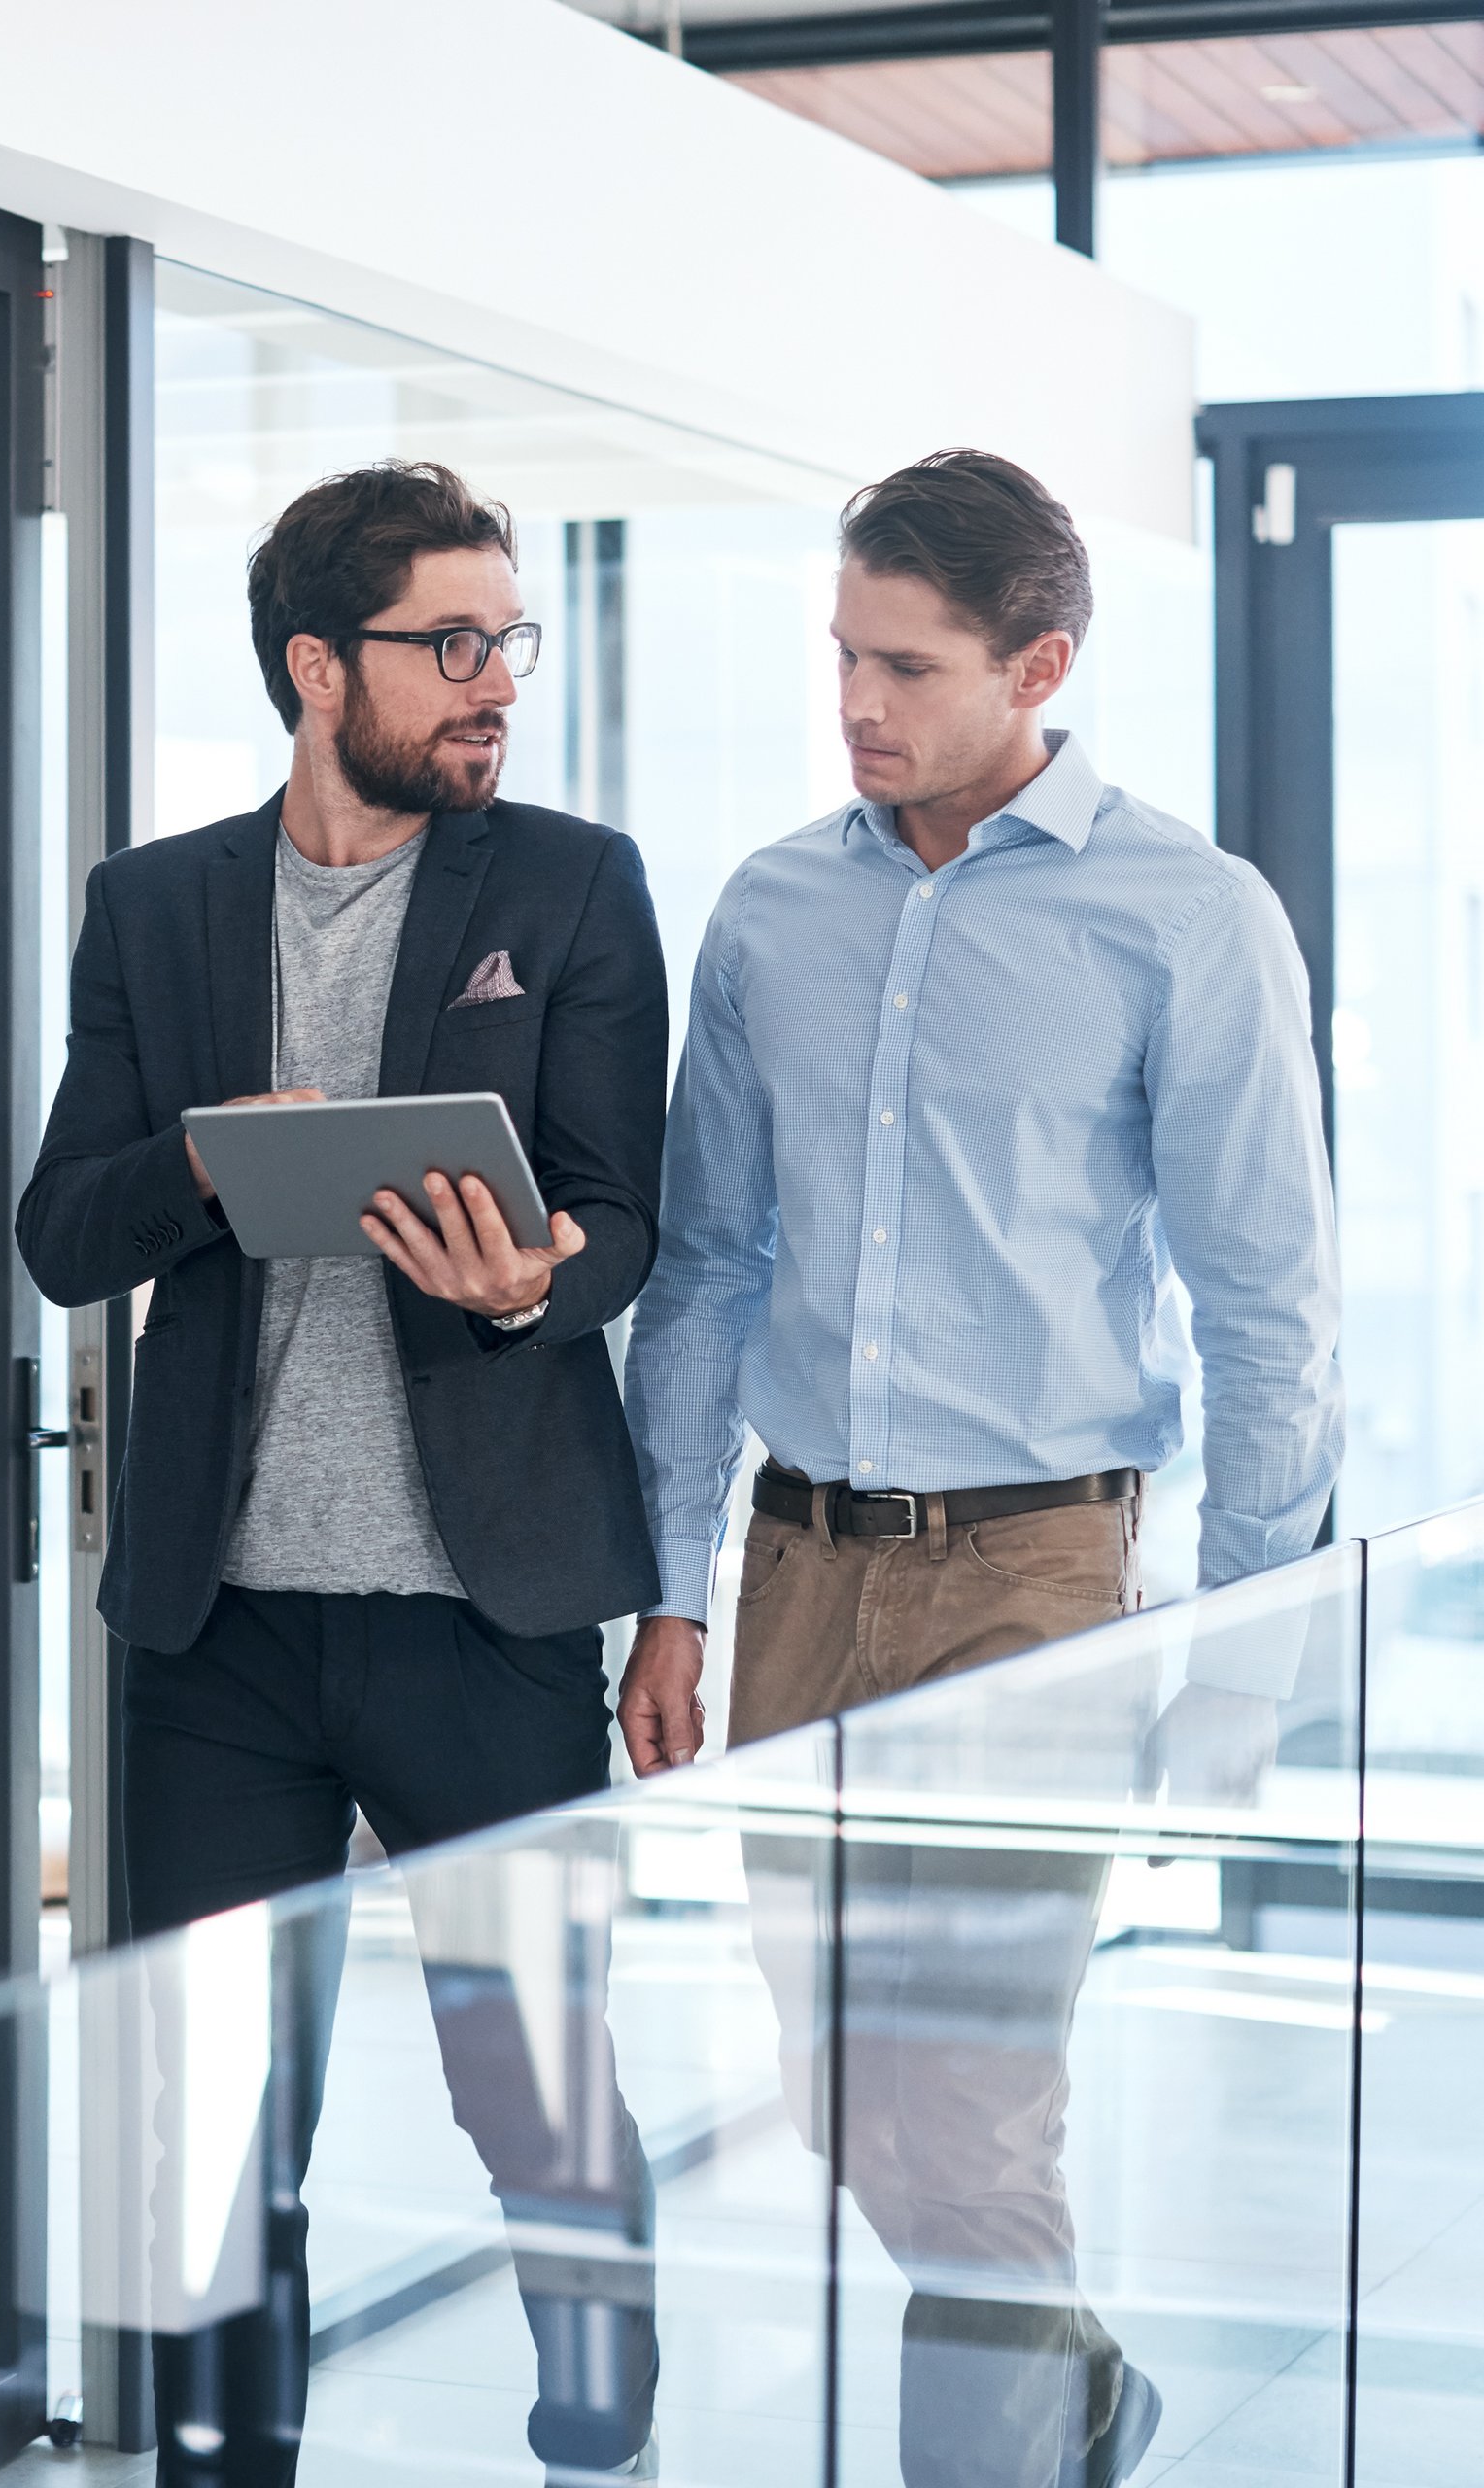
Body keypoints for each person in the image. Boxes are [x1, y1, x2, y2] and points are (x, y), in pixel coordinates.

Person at [619, 449, 1341, 2488]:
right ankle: (1077, 2381)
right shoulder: (771, 904)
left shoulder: (1188, 916)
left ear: (1041, 663)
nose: (858, 703)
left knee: (980, 2088)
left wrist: (1243, 1656)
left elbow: (1267, 1303)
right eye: (843, 653)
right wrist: (673, 1584)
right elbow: (705, 1268)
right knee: (843, 2090)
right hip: (797, 1568)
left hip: (1038, 1580)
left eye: (907, 666)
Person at [17, 460, 669, 2484]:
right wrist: (214, 1161)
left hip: (487, 1609)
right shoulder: (158, 904)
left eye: (509, 641)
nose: (496, 682)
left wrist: (533, 1278)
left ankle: (598, 2447)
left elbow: (624, 1212)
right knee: (210, 2128)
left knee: (540, 2100)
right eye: (451, 643)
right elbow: (63, 1233)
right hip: (219, 1631)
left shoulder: (569, 882)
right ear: (320, 667)